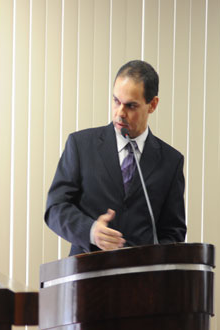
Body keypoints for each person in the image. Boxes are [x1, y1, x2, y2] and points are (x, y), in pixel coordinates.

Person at [45, 60, 186, 255]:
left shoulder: (171, 161)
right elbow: (55, 208)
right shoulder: (81, 145)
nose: (120, 113)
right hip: (88, 269)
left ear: (152, 105)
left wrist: (153, 260)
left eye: (131, 106)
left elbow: (173, 232)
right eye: (116, 101)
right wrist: (90, 231)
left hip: (142, 273)